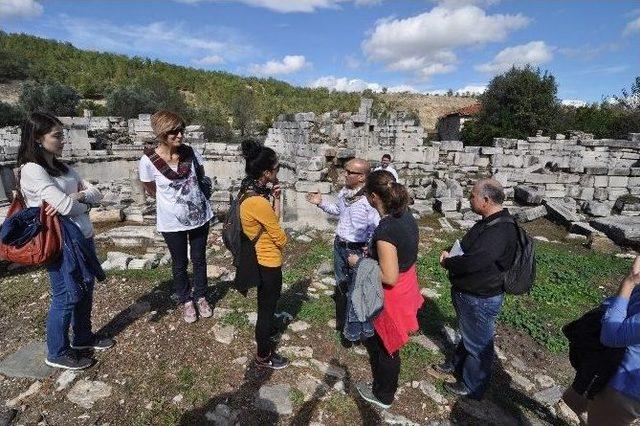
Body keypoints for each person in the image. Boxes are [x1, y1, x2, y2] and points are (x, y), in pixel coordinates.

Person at [17, 112, 113, 370]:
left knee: (86, 287)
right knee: (66, 294)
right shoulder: (32, 170)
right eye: (57, 136)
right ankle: (57, 351)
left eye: (63, 135)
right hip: (59, 242)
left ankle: (82, 337)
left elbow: (96, 194)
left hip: (82, 236)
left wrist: (79, 198)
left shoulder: (62, 167)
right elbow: (64, 206)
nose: (63, 140)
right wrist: (79, 199)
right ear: (37, 138)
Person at [348, 169, 423, 409]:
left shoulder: (386, 230)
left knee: (387, 346)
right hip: (407, 281)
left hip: (392, 294)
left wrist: (359, 263)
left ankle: (383, 394)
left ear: (373, 197)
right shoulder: (405, 215)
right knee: (388, 343)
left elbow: (388, 277)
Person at [437, 178, 517, 398]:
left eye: (472, 195)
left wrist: (448, 262)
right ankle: (456, 364)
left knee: (479, 343)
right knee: (469, 334)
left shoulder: (500, 230)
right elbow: (471, 251)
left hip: (479, 297)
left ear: (486, 199)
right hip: (471, 294)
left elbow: (475, 261)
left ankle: (473, 385)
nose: (469, 199)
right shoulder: (489, 221)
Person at [139, 110, 213, 324]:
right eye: (173, 132)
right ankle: (186, 299)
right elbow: (150, 189)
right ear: (162, 133)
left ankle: (201, 296)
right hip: (171, 222)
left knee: (199, 259)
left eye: (181, 130)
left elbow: (201, 177)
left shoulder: (191, 153)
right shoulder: (148, 161)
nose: (179, 135)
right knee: (179, 262)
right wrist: (171, 203)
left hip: (200, 216)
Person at [306, 158, 379, 340]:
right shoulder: (345, 192)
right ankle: (342, 320)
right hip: (340, 244)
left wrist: (367, 251)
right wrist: (320, 203)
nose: (345, 174)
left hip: (358, 249)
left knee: (358, 289)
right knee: (341, 284)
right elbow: (338, 210)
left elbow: (376, 227)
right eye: (345, 171)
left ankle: (357, 329)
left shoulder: (369, 200)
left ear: (362, 177)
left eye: (349, 172)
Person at [562, 256, 640, 425]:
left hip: (624, 389)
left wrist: (629, 282)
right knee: (574, 401)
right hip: (607, 367)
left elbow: (611, 336)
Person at [238, 139, 289, 369]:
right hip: (268, 259)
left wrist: (277, 198)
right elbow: (281, 238)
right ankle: (263, 354)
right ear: (267, 172)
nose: (278, 171)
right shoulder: (257, 201)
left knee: (267, 302)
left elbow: (272, 220)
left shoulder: (250, 190)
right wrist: (279, 233)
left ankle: (265, 330)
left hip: (261, 256)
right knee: (267, 307)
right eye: (276, 168)